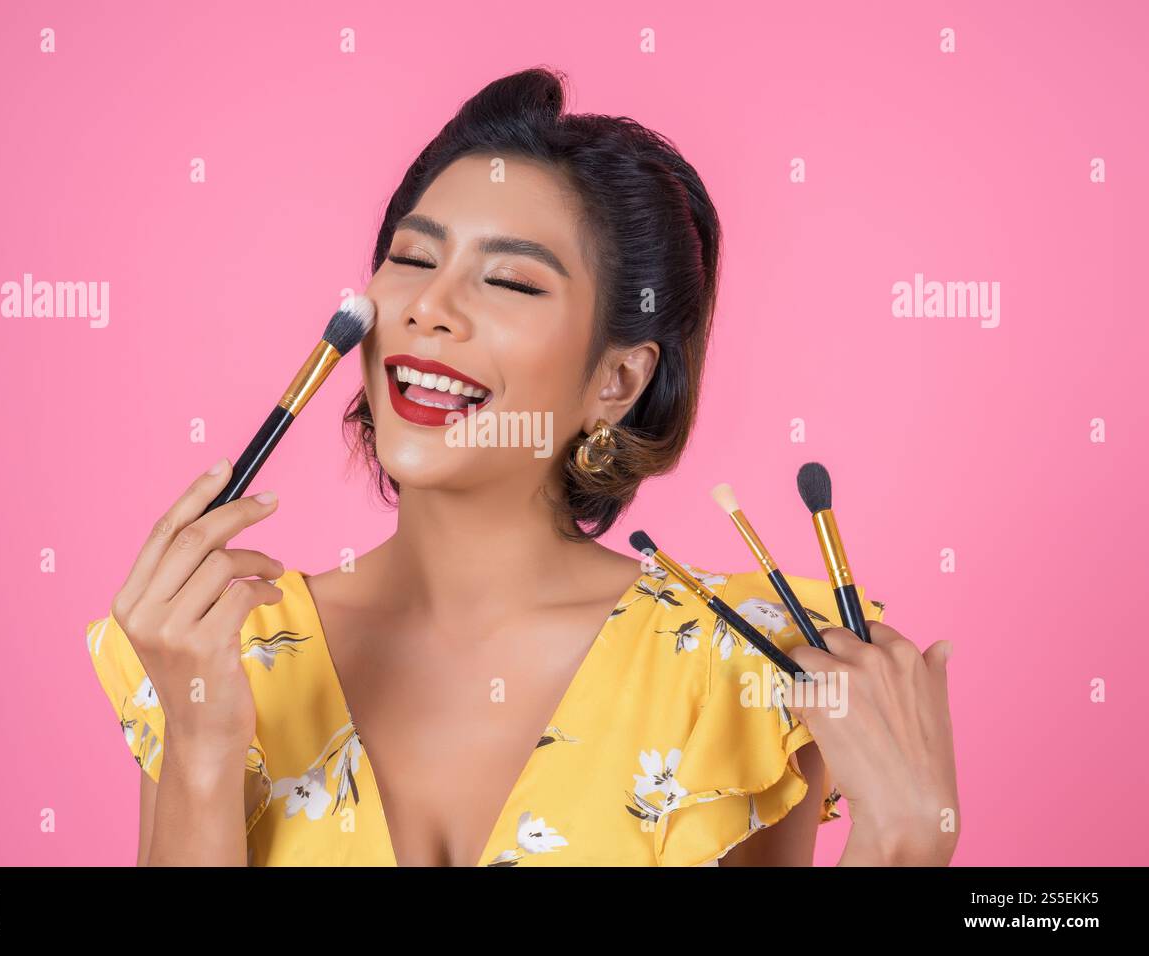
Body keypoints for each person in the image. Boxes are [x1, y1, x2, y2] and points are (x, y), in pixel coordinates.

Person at [85, 67, 958, 867]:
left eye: (508, 282)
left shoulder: (744, 665)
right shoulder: (216, 650)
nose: (429, 307)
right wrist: (200, 749)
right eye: (414, 259)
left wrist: (904, 842)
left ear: (617, 379)